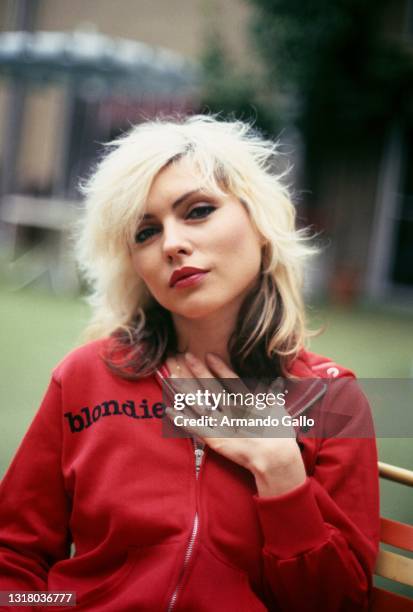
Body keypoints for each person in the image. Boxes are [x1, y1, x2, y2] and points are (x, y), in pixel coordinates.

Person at [0, 115, 379, 611]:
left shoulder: (333, 402)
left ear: (260, 224)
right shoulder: (85, 378)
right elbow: (13, 562)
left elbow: (341, 603)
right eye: (145, 233)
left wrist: (282, 474)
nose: (171, 244)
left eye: (198, 211)